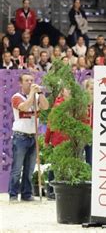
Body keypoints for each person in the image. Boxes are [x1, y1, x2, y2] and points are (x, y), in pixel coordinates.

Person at [9, 74, 49, 202]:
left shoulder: (36, 96)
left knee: (30, 168)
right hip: (20, 136)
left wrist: (40, 93)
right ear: (21, 83)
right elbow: (24, 107)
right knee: (17, 168)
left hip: (33, 136)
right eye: (27, 80)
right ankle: (13, 194)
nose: (30, 82)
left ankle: (27, 194)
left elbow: (45, 106)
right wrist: (32, 93)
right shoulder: (16, 97)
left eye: (32, 80)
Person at [44, 87, 71, 200]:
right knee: (56, 165)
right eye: (67, 89)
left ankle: (60, 189)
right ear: (62, 92)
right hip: (59, 139)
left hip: (69, 139)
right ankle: (51, 190)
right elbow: (50, 124)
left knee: (65, 165)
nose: (70, 91)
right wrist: (47, 139)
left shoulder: (73, 105)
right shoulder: (58, 105)